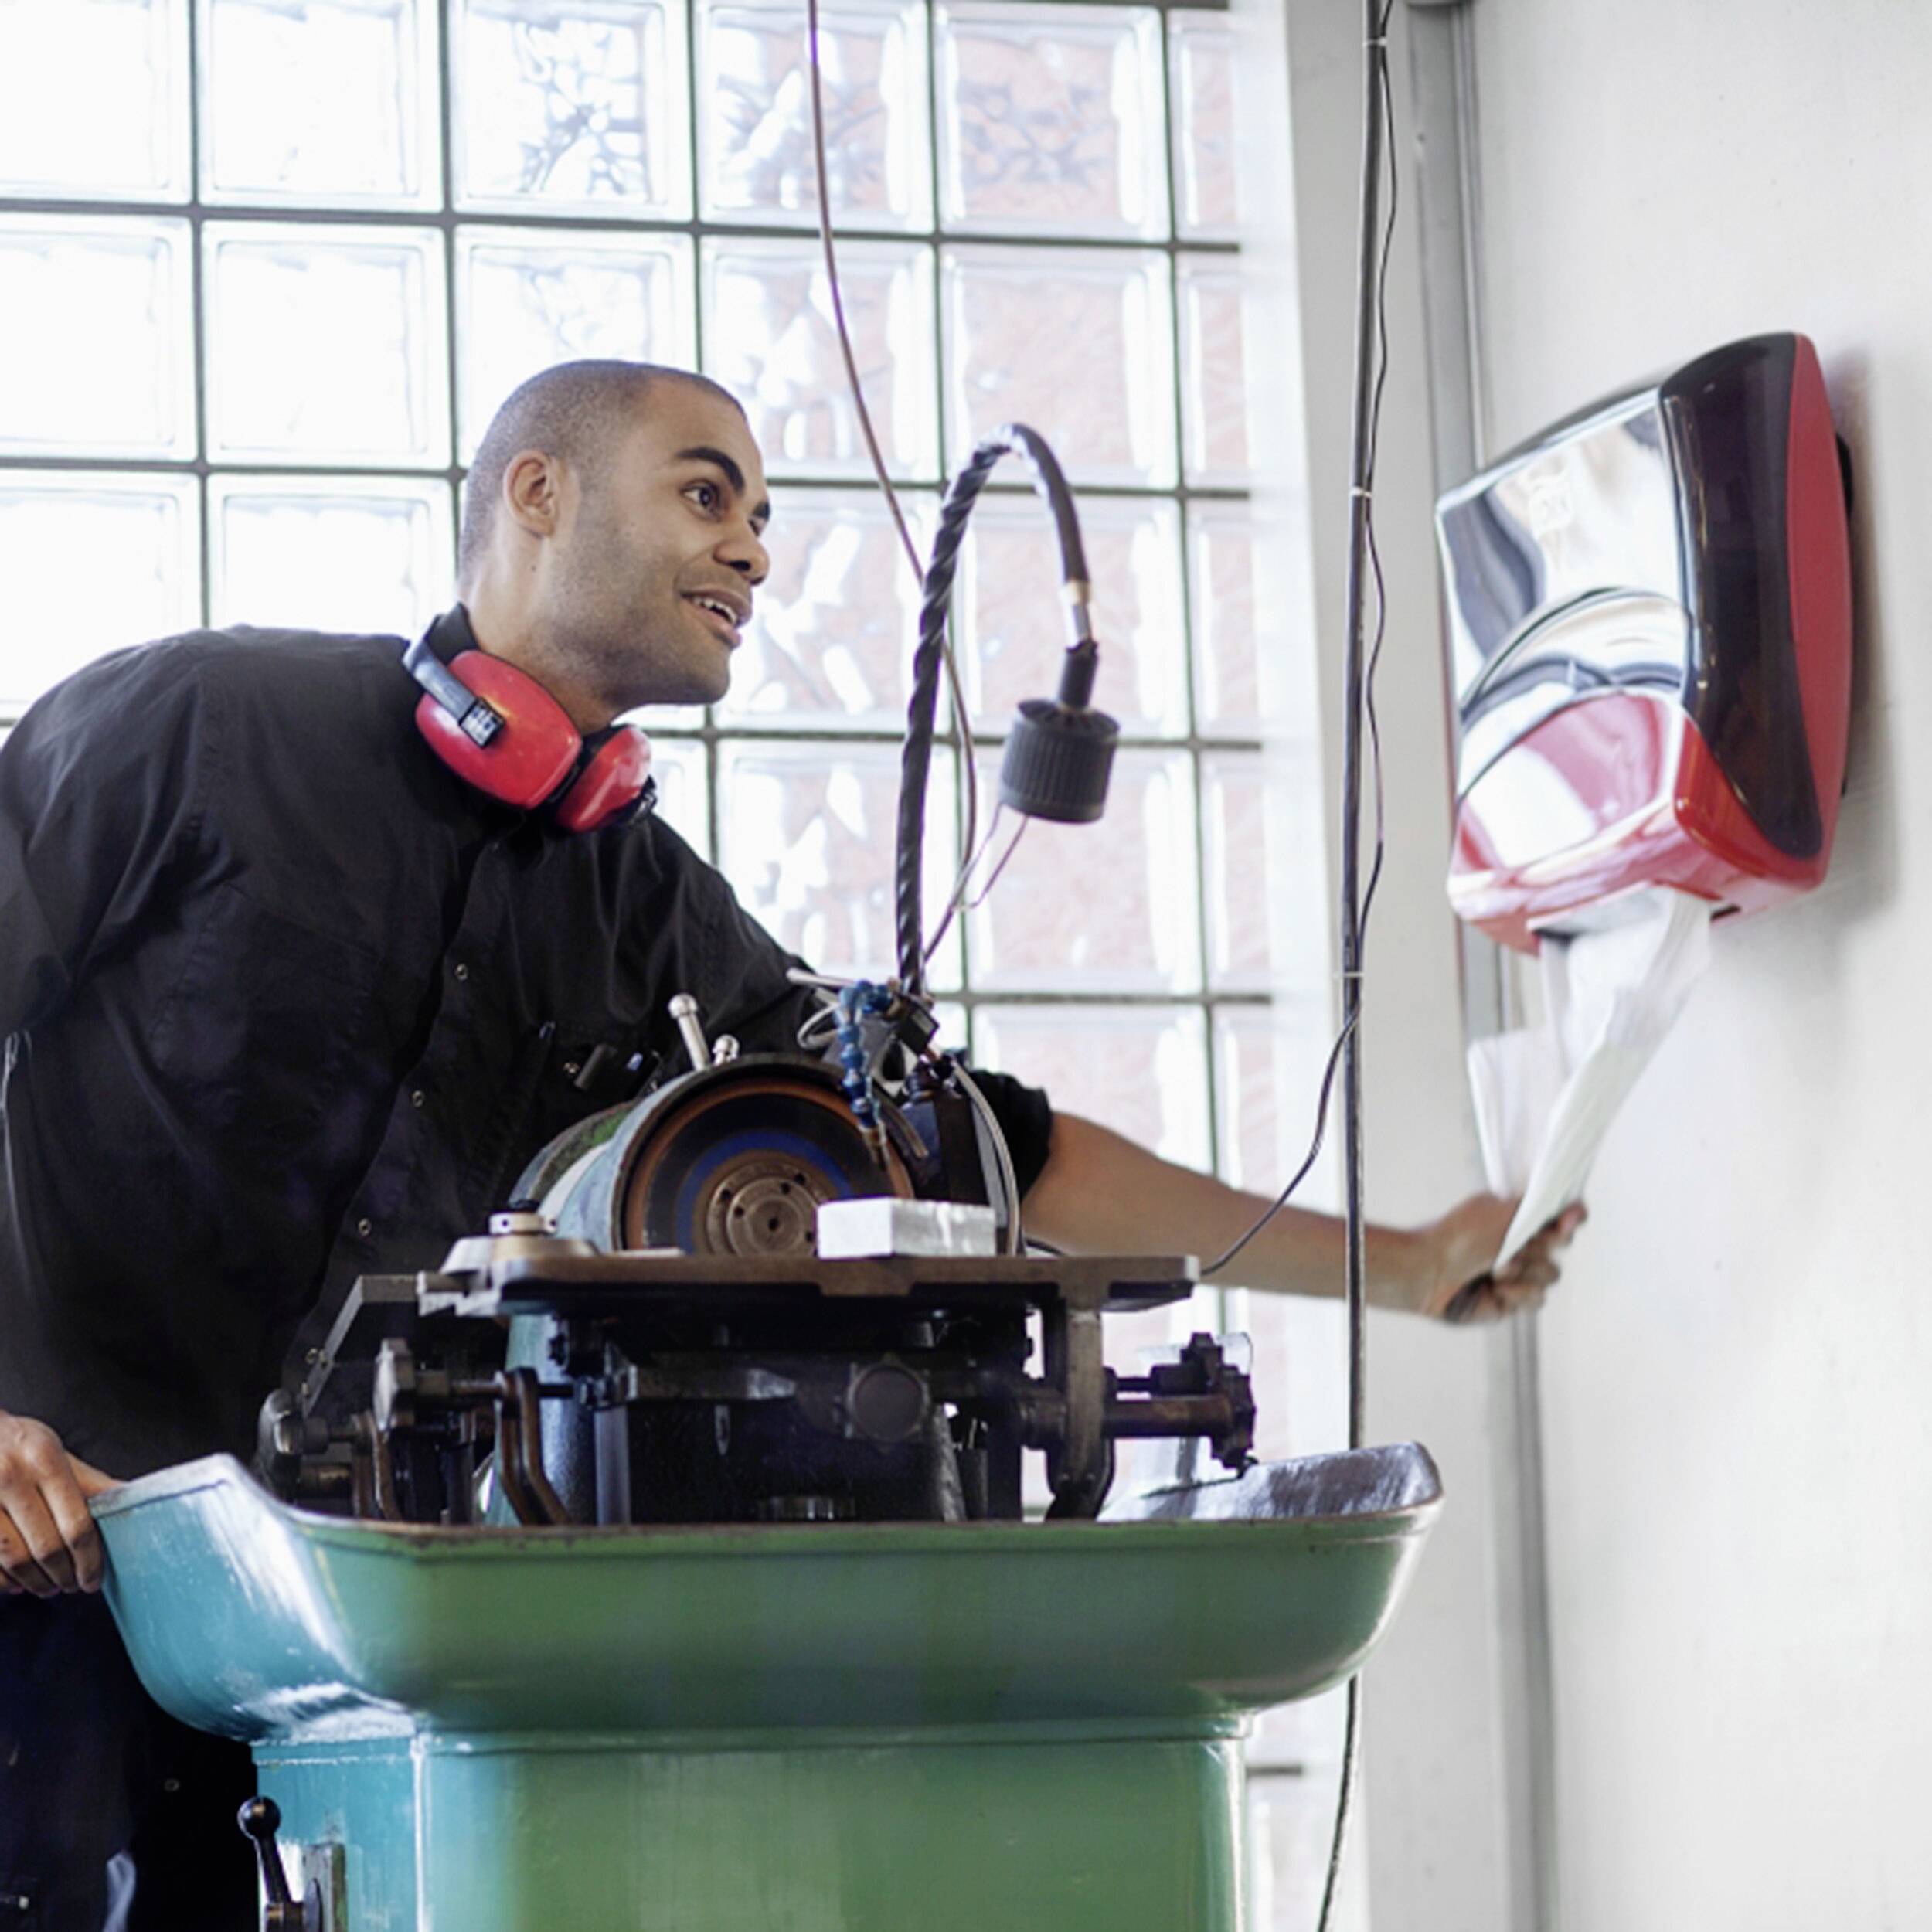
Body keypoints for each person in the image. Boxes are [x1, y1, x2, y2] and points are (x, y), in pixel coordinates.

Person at [0, 360, 1580, 1925]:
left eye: (762, 514)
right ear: (534, 495)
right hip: (35, 1585)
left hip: (332, 1678)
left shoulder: (659, 919)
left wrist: (1409, 1262)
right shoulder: (202, 727)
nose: (754, 548)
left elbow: (976, 1153)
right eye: (705, 493)